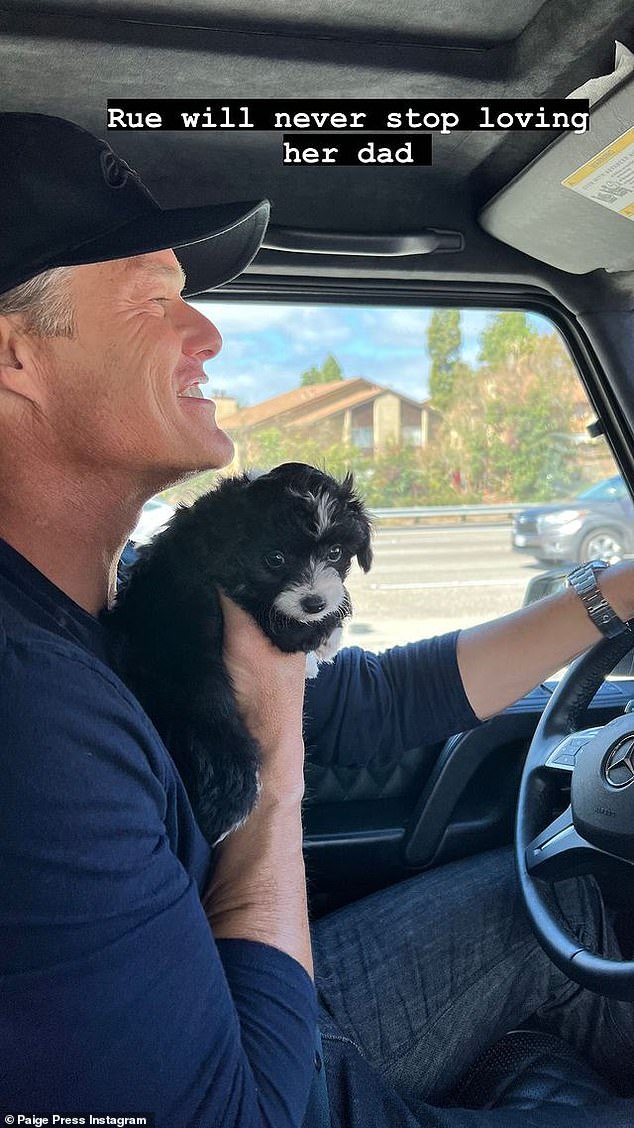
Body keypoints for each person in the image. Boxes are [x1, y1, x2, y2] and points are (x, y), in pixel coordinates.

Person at [0, 112, 633, 1128]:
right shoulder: (27, 700)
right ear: (15, 357)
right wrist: (276, 769)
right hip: (268, 1086)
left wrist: (617, 596)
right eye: (154, 299)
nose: (205, 327)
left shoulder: (103, 607)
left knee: (560, 911)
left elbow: (366, 705)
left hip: (238, 999)